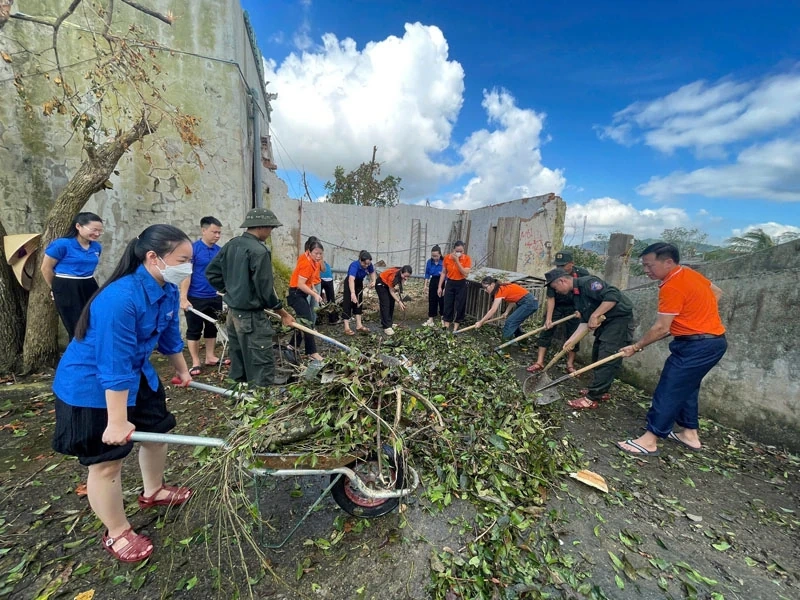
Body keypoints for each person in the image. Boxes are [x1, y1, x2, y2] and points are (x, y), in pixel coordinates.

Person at [51, 224, 195, 564]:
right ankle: (116, 531)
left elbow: (169, 334)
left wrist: (182, 369)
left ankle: (154, 490)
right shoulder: (121, 299)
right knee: (107, 464)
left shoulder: (167, 287)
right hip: (92, 387)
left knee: (157, 434)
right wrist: (116, 421)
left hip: (136, 374)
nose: (188, 267)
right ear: (152, 257)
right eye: (183, 259)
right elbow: (112, 365)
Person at [614, 243, 727, 457]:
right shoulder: (688, 274)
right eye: (644, 266)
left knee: (670, 387)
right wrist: (696, 316)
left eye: (650, 265)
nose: (646, 270)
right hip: (711, 342)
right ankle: (690, 434)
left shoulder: (672, 285)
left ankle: (650, 440)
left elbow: (660, 328)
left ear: (668, 262)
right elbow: (717, 293)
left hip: (698, 345)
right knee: (687, 386)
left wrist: (636, 347)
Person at [205, 208, 295, 386]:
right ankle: (261, 404)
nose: (271, 232)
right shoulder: (259, 251)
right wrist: (283, 313)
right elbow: (265, 291)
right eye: (270, 228)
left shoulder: (232, 244)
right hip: (251, 318)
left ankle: (240, 399)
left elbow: (211, 274)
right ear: (261, 227)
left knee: (239, 359)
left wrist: (233, 291)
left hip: (233, 315)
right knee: (260, 362)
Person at [546, 268, 634, 410]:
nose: (556, 292)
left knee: (607, 356)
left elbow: (613, 295)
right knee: (597, 354)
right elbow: (585, 321)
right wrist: (571, 340)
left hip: (619, 321)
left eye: (555, 288)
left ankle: (591, 398)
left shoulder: (588, 283)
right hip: (606, 323)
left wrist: (596, 315)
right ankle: (599, 390)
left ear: (562, 281)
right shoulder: (576, 296)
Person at [41, 212, 104, 340]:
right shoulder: (62, 244)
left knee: (95, 322)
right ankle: (75, 357)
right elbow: (46, 268)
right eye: (94, 230)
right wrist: (54, 288)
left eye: (100, 231)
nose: (97, 234)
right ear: (78, 226)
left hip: (89, 284)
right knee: (76, 328)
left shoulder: (96, 247)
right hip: (66, 286)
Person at [528, 251, 590, 374]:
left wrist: (581, 310)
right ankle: (539, 362)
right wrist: (549, 319)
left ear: (571, 264)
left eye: (563, 265)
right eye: (558, 266)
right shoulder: (554, 275)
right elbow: (551, 298)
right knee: (546, 330)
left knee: (574, 335)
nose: (560, 268)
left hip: (574, 308)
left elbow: (585, 294)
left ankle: (570, 364)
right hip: (557, 306)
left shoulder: (582, 274)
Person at [180, 216, 226, 376]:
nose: (217, 235)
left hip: (214, 296)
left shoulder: (219, 251)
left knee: (212, 327)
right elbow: (186, 275)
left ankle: (210, 357)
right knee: (194, 330)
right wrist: (183, 298)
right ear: (204, 230)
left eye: (219, 233)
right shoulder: (193, 250)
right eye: (214, 232)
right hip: (195, 297)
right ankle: (195, 362)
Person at [287, 240, 324, 361]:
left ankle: (292, 346)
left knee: (302, 321)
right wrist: (314, 294)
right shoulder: (306, 263)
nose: (318, 256)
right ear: (309, 251)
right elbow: (300, 284)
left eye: (320, 253)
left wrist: (314, 288)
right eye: (316, 253)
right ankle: (312, 352)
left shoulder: (315, 262)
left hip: (302, 293)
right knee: (307, 322)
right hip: (296, 294)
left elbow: (310, 280)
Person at [474, 276, 539, 340]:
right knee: (514, 321)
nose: (485, 290)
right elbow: (513, 301)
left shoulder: (500, 290)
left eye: (486, 287)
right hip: (527, 302)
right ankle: (522, 341)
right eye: (483, 288)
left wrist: (481, 322)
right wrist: (506, 312)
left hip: (529, 303)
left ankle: (504, 347)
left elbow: (493, 310)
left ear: (492, 284)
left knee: (510, 322)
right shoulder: (502, 288)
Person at [439, 241, 471, 332]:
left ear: (463, 250)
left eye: (461, 251)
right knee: (448, 303)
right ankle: (446, 325)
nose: (459, 253)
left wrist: (457, 261)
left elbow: (465, 272)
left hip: (461, 283)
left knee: (460, 304)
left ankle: (456, 326)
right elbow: (444, 272)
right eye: (457, 251)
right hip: (450, 282)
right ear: (454, 250)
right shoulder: (447, 258)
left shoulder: (467, 259)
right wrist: (440, 286)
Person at [342, 250, 376, 336]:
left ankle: (359, 325)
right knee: (347, 303)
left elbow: (372, 272)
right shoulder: (354, 265)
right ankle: (346, 327)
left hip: (359, 283)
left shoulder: (369, 264)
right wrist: (352, 293)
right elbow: (351, 279)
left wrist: (374, 281)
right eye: (365, 264)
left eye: (368, 264)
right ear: (360, 260)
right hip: (350, 283)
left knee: (359, 303)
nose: (367, 266)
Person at [375, 265, 412, 336]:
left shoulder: (401, 275)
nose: (406, 278)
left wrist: (402, 284)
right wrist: (399, 302)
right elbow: (391, 291)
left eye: (408, 276)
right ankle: (386, 327)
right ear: (401, 272)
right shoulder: (393, 276)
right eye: (405, 276)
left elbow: (398, 287)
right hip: (381, 284)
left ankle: (389, 323)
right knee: (385, 304)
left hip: (388, 285)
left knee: (391, 303)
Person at [422, 245, 444, 327]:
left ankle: (443, 318)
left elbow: (447, 275)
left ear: (440, 254)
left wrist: (444, 287)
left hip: (442, 281)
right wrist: (425, 285)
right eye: (433, 256)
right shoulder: (429, 262)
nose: (434, 257)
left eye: (436, 256)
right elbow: (427, 274)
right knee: (432, 299)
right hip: (433, 281)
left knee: (442, 300)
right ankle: (431, 318)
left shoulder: (444, 262)